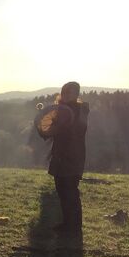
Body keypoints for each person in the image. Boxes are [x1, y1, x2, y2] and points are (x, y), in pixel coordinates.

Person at [48, 81, 89, 239]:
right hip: (61, 155)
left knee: (70, 191)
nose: (65, 95)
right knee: (62, 190)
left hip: (72, 156)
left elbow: (76, 130)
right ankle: (67, 223)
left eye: (69, 93)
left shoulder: (78, 110)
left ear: (76, 94)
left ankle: (74, 226)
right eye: (64, 92)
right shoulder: (63, 110)